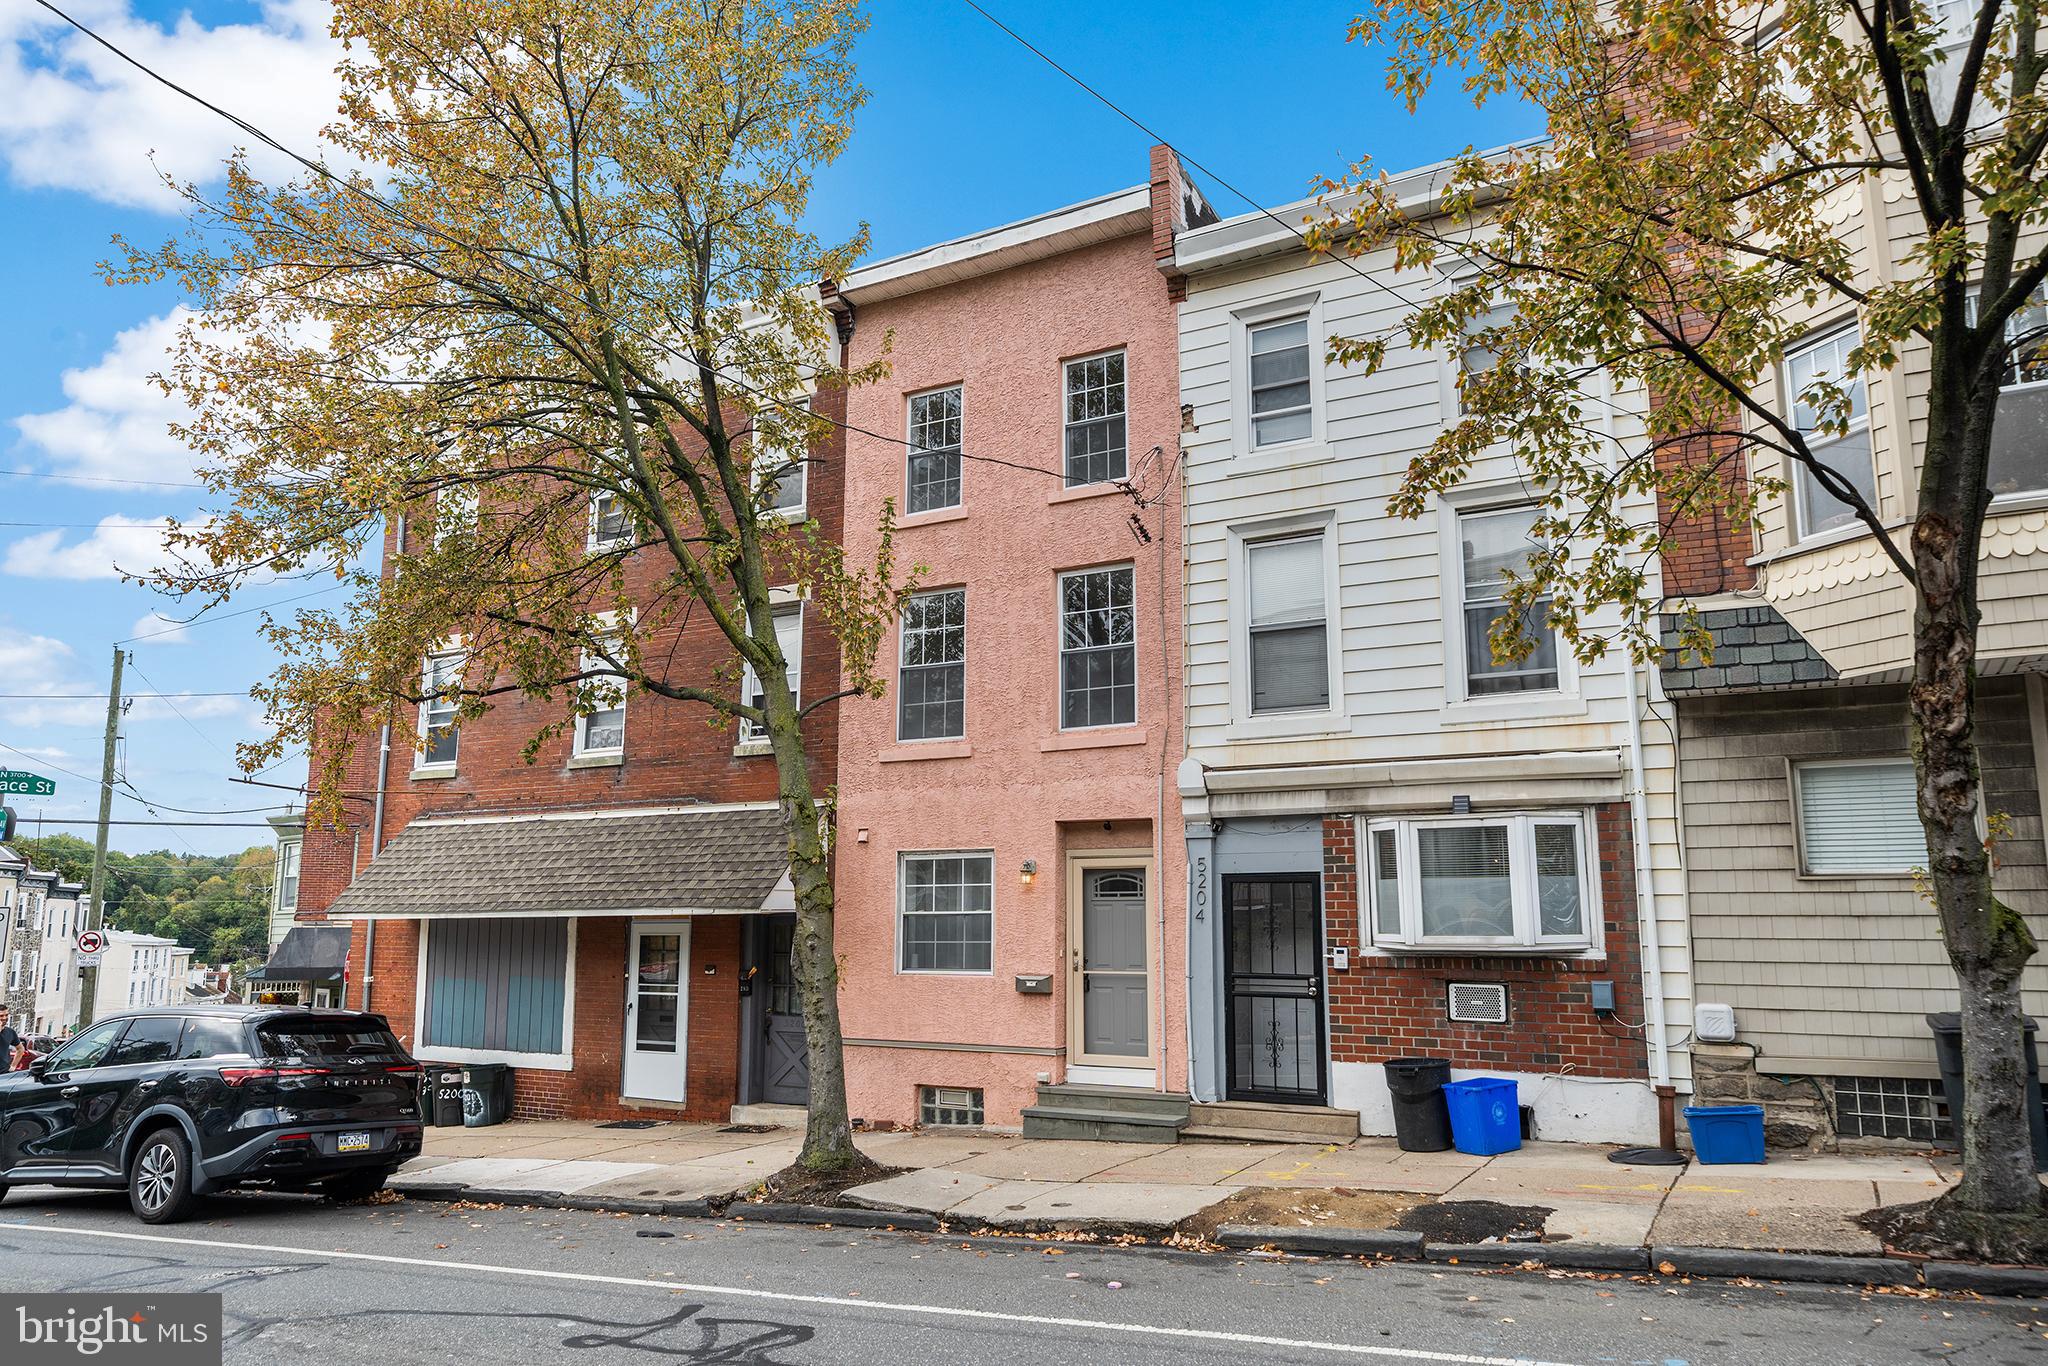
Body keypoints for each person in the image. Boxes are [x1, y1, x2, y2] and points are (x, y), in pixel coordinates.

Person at [0, 1007, 18, 1073]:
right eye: (1, 1016)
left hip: (4, 1074)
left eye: (6, 1015)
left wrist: (13, 1066)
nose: (4, 1018)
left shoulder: (10, 1032)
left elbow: (20, 1049)